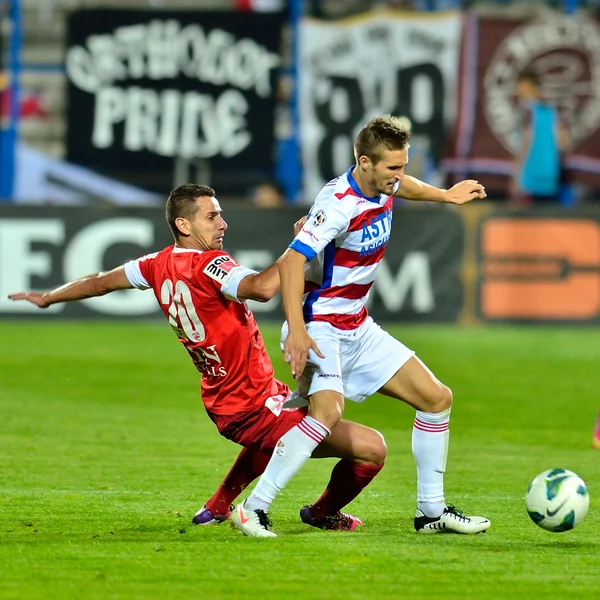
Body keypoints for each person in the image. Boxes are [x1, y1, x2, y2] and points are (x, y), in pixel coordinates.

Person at [8, 183, 387, 538]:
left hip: (228, 398)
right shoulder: (210, 265)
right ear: (183, 224)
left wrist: (50, 297)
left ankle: (218, 505)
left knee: (281, 427)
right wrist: (302, 244)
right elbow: (262, 288)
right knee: (372, 449)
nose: (223, 223)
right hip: (250, 403)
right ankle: (321, 513)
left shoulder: (156, 264)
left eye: (220, 214)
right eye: (212, 216)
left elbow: (101, 281)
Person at [231, 115, 492, 536]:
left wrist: (445, 196)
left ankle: (431, 512)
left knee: (436, 398)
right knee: (328, 413)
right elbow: (294, 261)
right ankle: (253, 507)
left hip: (358, 326)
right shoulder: (338, 204)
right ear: (365, 161)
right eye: (392, 167)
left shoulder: (385, 183)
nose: (400, 176)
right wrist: (297, 330)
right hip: (322, 326)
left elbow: (403, 187)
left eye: (403, 166)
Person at [509, 69, 569, 206]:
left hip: (529, 179)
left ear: (528, 85)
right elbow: (563, 143)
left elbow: (525, 144)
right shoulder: (552, 112)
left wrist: (515, 176)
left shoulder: (528, 112)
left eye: (519, 86)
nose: (517, 91)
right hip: (550, 177)